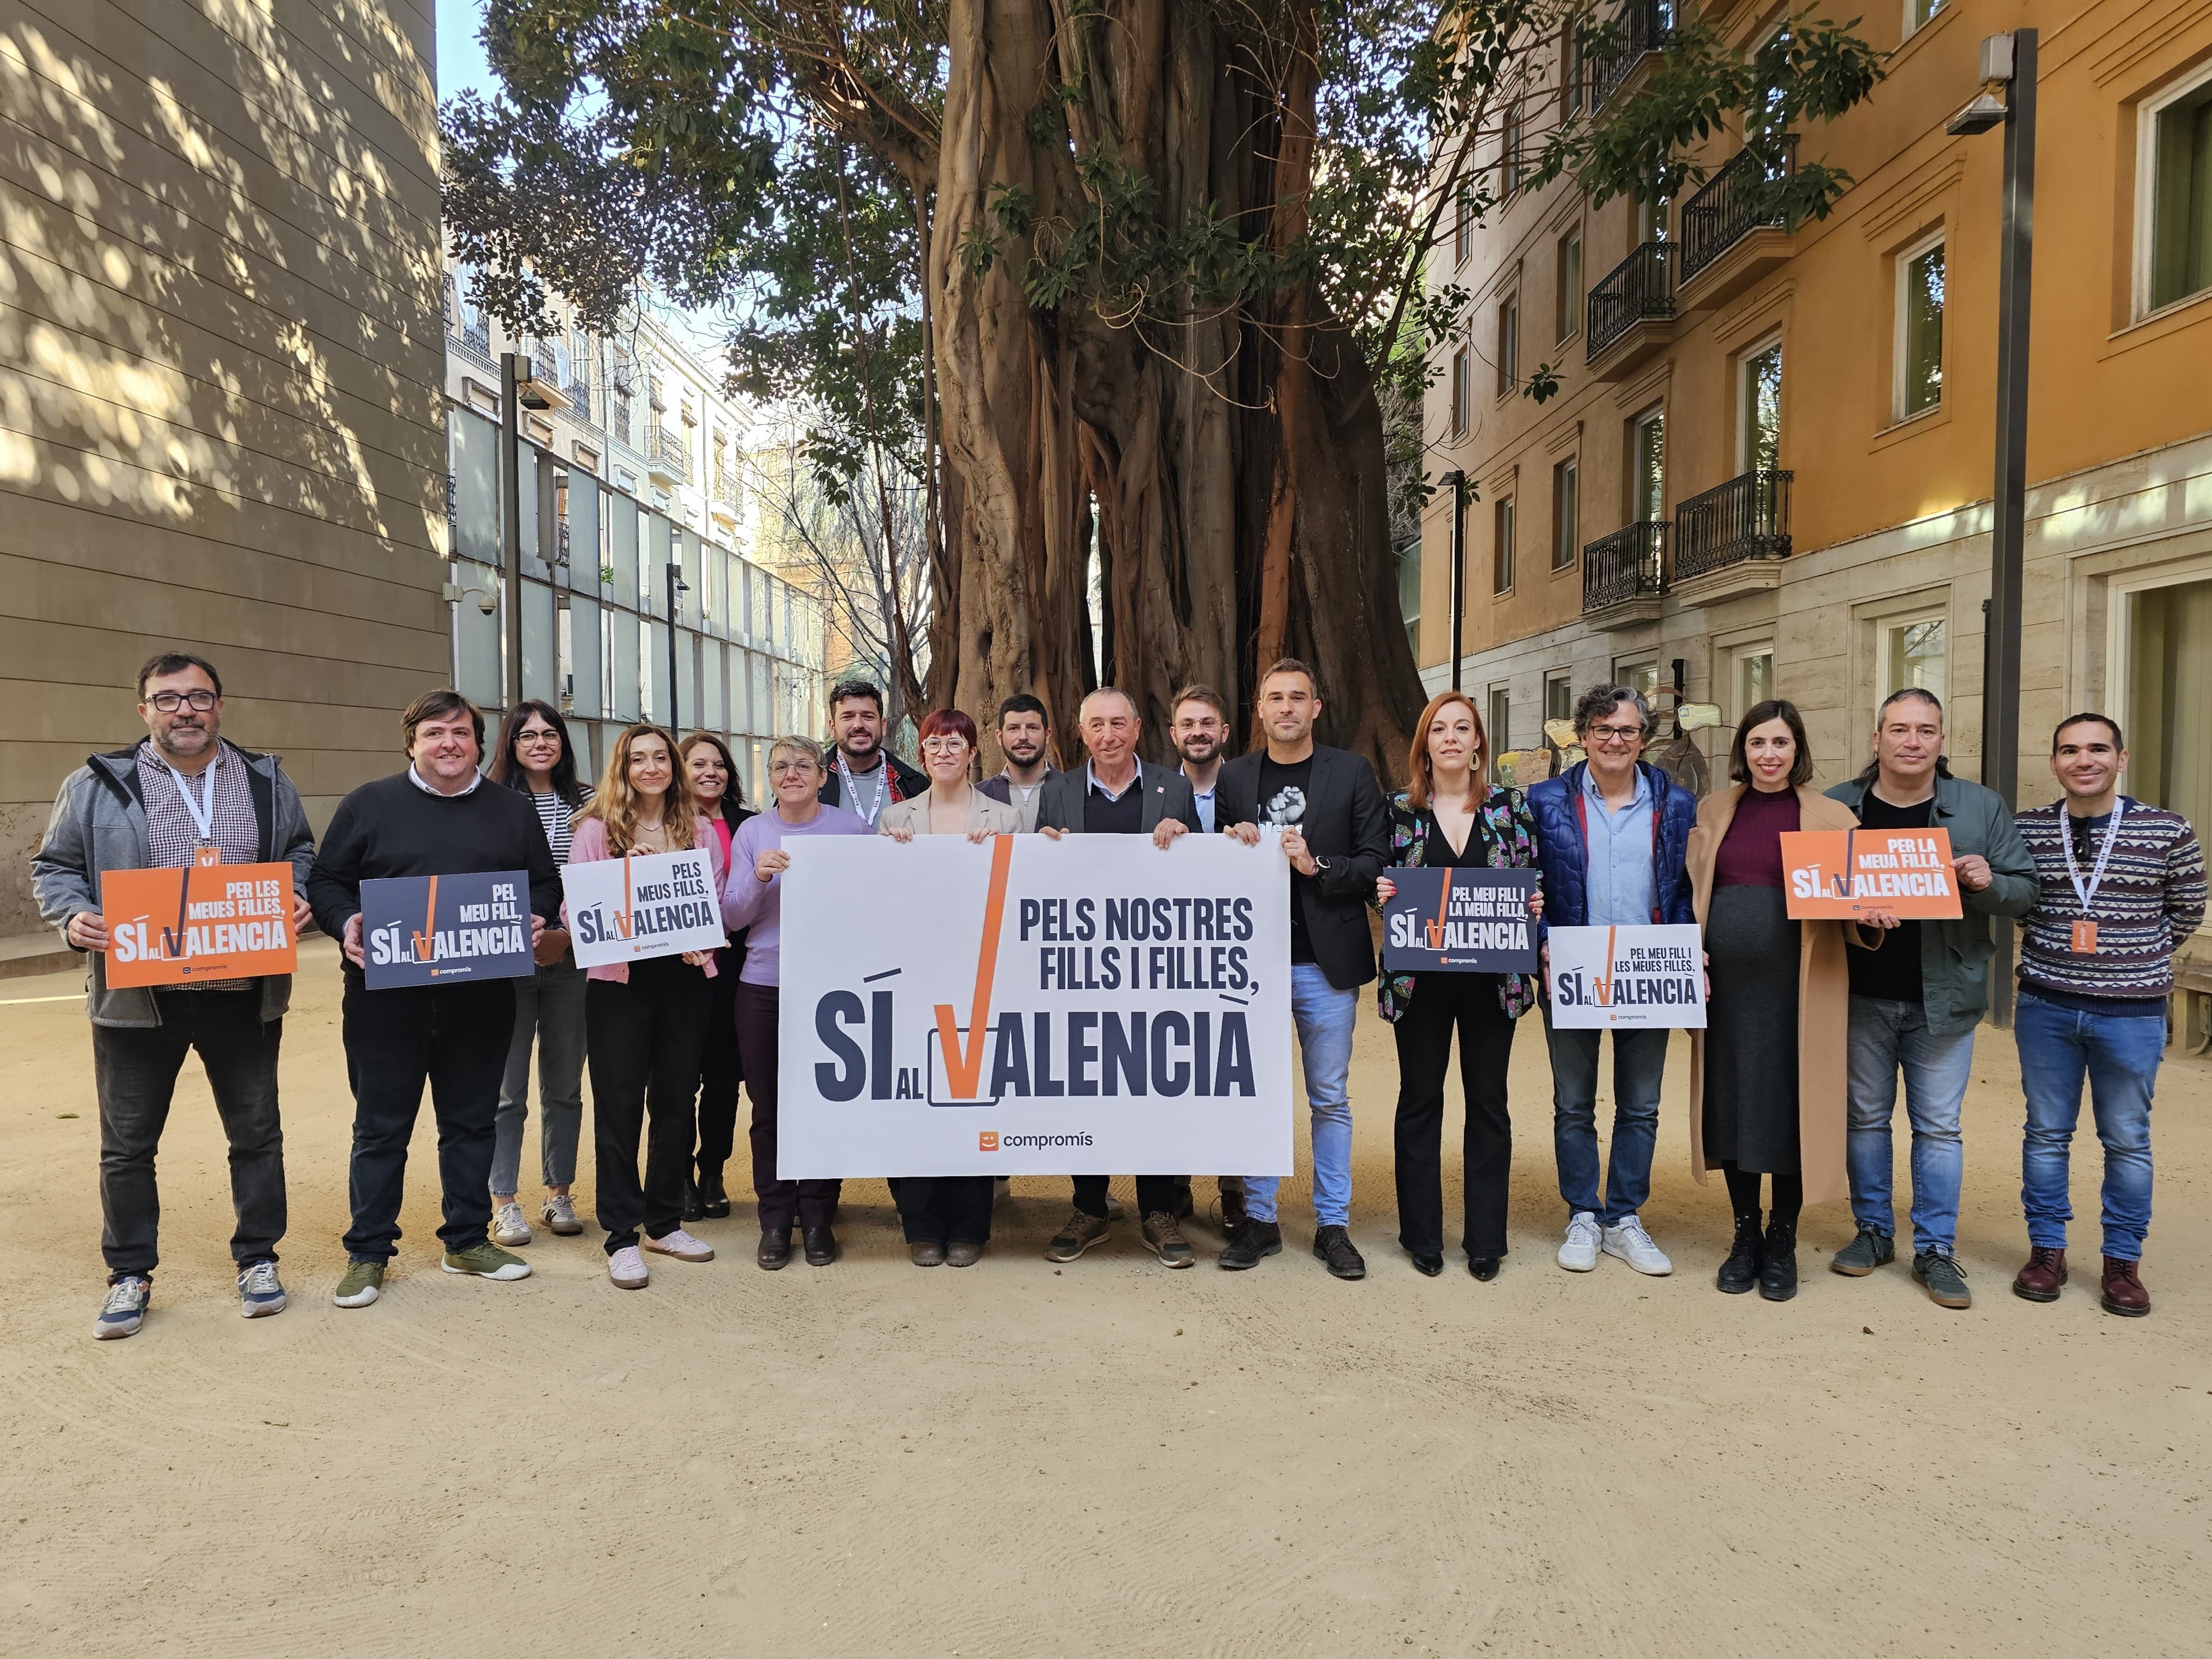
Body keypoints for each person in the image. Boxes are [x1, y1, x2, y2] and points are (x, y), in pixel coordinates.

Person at [33, 652, 316, 1340]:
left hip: (242, 993)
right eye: (168, 699)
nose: (184, 710)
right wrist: (72, 916)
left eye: (197, 697)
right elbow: (55, 866)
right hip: (139, 998)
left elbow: (302, 851)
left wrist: (299, 894)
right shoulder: (95, 783)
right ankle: (129, 1274)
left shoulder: (265, 780)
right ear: (144, 711)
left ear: (220, 705)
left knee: (256, 1135)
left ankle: (258, 1259)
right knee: (127, 1146)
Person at [307, 690, 562, 1309]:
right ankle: (368, 1252)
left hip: (480, 996)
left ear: (479, 744)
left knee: (471, 1122)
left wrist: (536, 914)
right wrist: (345, 923)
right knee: (379, 1128)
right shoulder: (368, 804)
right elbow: (326, 880)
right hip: (385, 999)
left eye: (460, 732)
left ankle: (466, 1241)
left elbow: (543, 877)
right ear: (411, 743)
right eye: (433, 733)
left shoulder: (511, 809)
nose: (448, 742)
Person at [1824, 687, 2036, 1309]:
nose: (1910, 742)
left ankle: (1935, 1249)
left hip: (1944, 996)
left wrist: (1984, 882)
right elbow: (1804, 890)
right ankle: (1871, 1231)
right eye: (1898, 730)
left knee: (1938, 1128)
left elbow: (2024, 892)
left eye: (1924, 731)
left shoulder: (1979, 807)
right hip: (1859, 992)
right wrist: (1847, 907)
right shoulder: (1838, 807)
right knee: (1863, 1119)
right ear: (1876, 739)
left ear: (1941, 741)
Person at [2010, 714, 2204, 1317]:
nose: (2082, 759)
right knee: (2044, 1134)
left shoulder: (2167, 830)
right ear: (2053, 764)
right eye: (2068, 750)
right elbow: (2021, 905)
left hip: (2130, 1012)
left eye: (2097, 748)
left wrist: (2129, 959)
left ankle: (2122, 1261)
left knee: (2125, 1139)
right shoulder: (2027, 830)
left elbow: (2186, 908)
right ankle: (2047, 1251)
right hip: (2045, 1004)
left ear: (2120, 758)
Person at [1686, 701, 1879, 1302]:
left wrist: (1866, 913)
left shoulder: (1832, 817)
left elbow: (1852, 902)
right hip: (1724, 992)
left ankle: (1783, 1236)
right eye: (1756, 743)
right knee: (1733, 1103)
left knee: (1790, 1105)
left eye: (1780, 743)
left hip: (1797, 987)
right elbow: (1689, 890)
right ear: (1741, 750)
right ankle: (1744, 1235)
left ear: (1797, 750)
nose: (1768, 755)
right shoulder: (1713, 810)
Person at [1219, 658, 1391, 1280]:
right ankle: (1260, 1221)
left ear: (1315, 708)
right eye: (1274, 698)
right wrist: (1229, 841)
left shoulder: (1350, 772)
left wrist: (1317, 866)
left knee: (1328, 1098)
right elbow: (1205, 864)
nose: (1286, 707)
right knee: (1258, 1094)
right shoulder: (1234, 777)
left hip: (1324, 963)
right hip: (1251, 963)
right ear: (1259, 710)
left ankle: (1332, 1226)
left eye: (1298, 697)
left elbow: (1375, 861)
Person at [1527, 683, 1697, 1278]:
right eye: (1601, 730)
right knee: (1572, 1104)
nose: (1614, 741)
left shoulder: (1676, 804)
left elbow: (1683, 889)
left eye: (1626, 730)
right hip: (1572, 967)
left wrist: (1684, 949)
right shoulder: (1543, 801)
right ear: (1582, 738)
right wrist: (1541, 943)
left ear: (1643, 739)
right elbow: (1529, 885)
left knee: (1641, 1105)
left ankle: (1622, 1217)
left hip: (1646, 971)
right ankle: (1582, 1212)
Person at [1372, 691, 1542, 1281]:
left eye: (1461, 728)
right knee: (1419, 1102)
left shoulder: (1509, 808)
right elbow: (1377, 877)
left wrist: (1533, 902)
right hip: (1420, 981)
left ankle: (1485, 1240)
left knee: (1488, 1105)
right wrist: (1381, 894)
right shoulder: (1397, 810)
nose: (1449, 737)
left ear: (1476, 743)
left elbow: (1528, 878)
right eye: (1438, 728)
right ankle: (1421, 1234)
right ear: (1425, 743)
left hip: (1491, 981)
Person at [1033, 687, 1200, 1265]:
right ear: (1081, 735)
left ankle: (1157, 1209)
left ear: (1136, 730)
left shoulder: (1171, 787)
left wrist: (1185, 839)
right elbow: (1035, 881)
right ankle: (1090, 1207)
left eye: (1117, 723)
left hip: (1154, 969)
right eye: (1095, 725)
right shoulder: (1055, 793)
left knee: (1152, 1082)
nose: (1107, 734)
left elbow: (1203, 871)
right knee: (1085, 1084)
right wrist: (1042, 848)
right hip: (1081, 969)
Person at [567, 724, 725, 1289]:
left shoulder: (700, 829)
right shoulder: (594, 831)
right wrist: (621, 878)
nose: (652, 767)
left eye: (661, 757)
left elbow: (710, 905)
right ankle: (620, 1235)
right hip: (619, 985)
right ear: (623, 768)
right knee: (618, 1108)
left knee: (677, 1101)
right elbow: (574, 915)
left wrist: (702, 940)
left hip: (684, 979)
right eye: (639, 759)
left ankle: (663, 1221)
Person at [878, 709, 1023, 1265]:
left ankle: (969, 1226)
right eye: (934, 742)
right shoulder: (895, 818)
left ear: (971, 754)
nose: (943, 751)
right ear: (923, 754)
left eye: (954, 743)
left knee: (973, 1100)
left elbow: (1023, 896)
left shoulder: (1005, 820)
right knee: (913, 1095)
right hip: (911, 980)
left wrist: (1000, 856)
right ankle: (920, 1225)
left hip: (981, 977)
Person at [723, 736, 872, 1269]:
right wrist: (761, 876)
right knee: (769, 1110)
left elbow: (878, 896)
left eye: (802, 765)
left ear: (822, 773)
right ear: (770, 777)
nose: (791, 774)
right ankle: (775, 1219)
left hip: (831, 988)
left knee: (824, 1105)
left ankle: (818, 1218)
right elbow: (732, 917)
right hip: (764, 984)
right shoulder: (753, 832)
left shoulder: (852, 829)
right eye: (781, 766)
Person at [484, 701, 593, 1246]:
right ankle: (503, 1201)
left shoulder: (592, 802)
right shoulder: (490, 803)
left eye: (550, 734)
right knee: (506, 1090)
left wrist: (566, 932)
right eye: (527, 736)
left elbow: (602, 871)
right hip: (506, 957)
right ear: (511, 743)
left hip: (574, 954)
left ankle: (558, 1193)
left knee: (565, 1083)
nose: (540, 744)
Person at [1169, 682, 1246, 1237]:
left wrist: (1253, 839)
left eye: (1207, 723)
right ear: (1174, 734)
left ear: (1223, 732)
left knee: (1235, 1074)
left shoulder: (1248, 787)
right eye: (1187, 724)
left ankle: (1236, 1191)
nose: (1198, 732)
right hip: (1170, 959)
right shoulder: (1156, 791)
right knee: (1173, 1070)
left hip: (1234, 957)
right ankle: (1173, 1190)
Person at [679, 732, 757, 1222]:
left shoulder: (749, 825)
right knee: (678, 1076)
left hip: (735, 964)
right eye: (699, 764)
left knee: (725, 1078)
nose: (711, 772)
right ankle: (679, 1175)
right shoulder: (661, 824)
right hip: (678, 969)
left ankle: (713, 1171)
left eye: (720, 765)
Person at [817, 678, 926, 829]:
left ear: (883, 725)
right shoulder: (810, 783)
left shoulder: (914, 786)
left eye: (868, 716)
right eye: (848, 717)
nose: (858, 725)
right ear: (833, 727)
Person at [976, 692, 1060, 831]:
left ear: (1047, 735)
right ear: (999, 737)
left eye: (1032, 728)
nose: (1023, 737)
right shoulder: (980, 795)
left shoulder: (1073, 793)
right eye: (1014, 728)